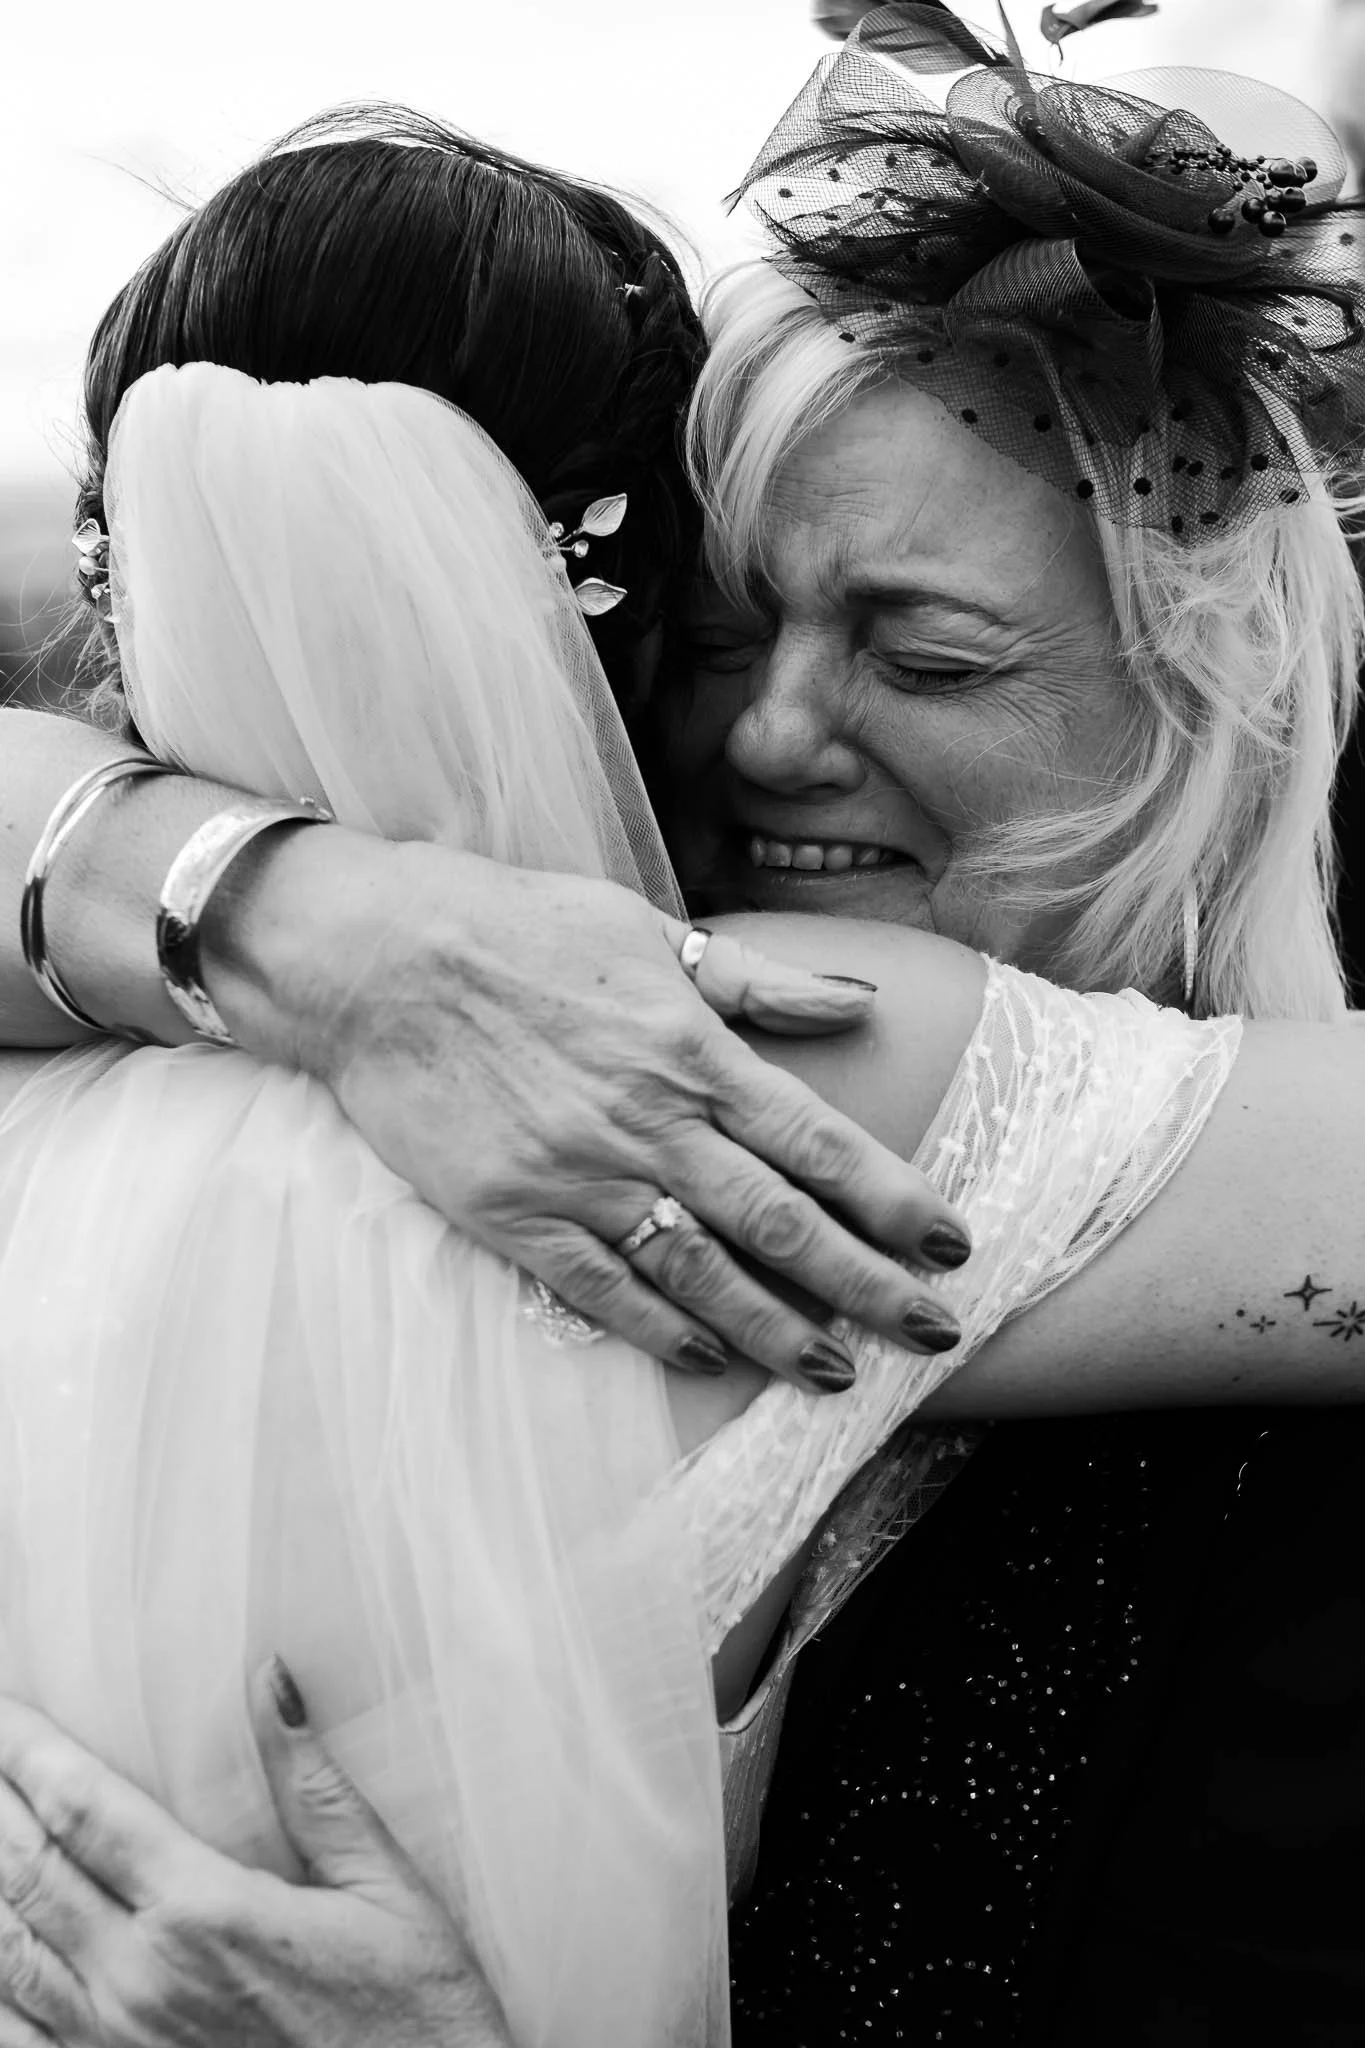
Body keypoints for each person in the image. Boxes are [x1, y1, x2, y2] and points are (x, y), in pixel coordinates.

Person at [3, 23, 1365, 2042]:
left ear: (1223, 671)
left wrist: (242, 897)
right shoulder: (722, 1047)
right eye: (728, 622)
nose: (762, 728)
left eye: (919, 645)